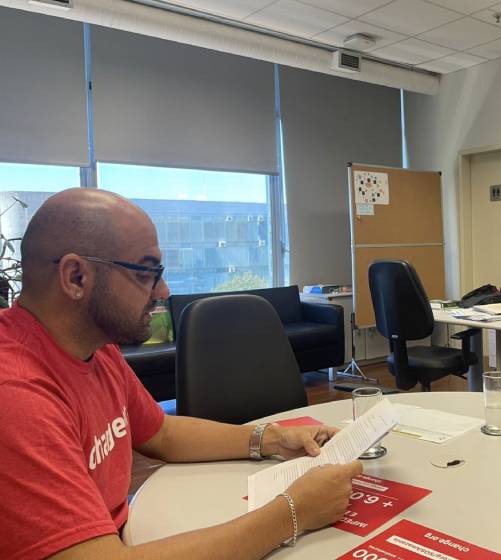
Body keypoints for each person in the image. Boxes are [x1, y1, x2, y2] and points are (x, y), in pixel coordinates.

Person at [0, 188, 362, 560]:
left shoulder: (97, 347)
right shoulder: (16, 395)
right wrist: (294, 512)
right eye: (147, 272)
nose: (164, 290)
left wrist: (272, 439)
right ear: (76, 277)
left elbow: (163, 433)